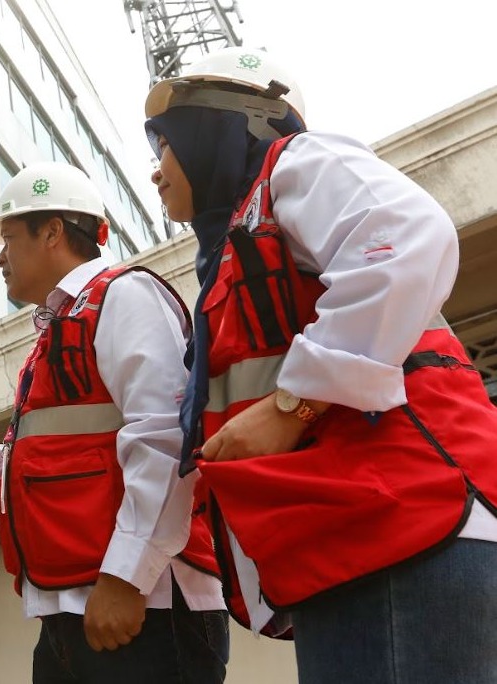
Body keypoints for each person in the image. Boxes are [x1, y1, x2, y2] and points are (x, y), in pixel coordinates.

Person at [144, 46, 497, 683]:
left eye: (163, 144)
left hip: (401, 530)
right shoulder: (235, 249)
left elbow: (404, 236)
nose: (155, 170)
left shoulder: (298, 162)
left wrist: (292, 406)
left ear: (219, 123)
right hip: (355, 541)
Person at [0, 161, 229, 683]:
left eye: (8, 238)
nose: (0, 257)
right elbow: (61, 464)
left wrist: (126, 576)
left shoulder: (125, 295)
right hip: (73, 611)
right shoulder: (62, 325)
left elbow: (166, 438)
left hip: (142, 607)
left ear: (52, 232)